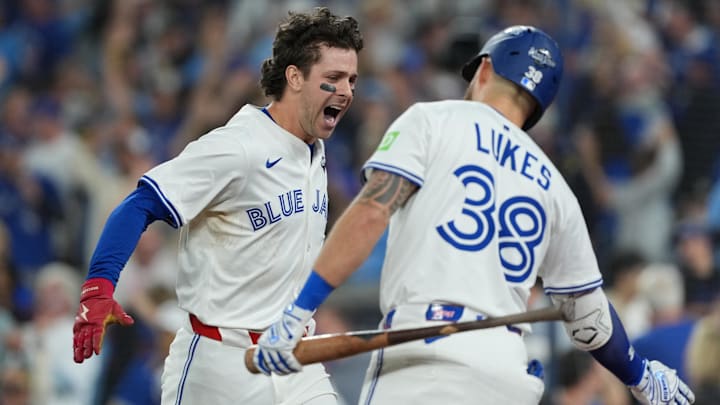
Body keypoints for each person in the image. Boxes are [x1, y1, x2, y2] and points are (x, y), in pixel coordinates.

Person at [253, 25, 695, 405]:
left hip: (424, 360)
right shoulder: (556, 187)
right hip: (507, 371)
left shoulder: (436, 119)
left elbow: (371, 212)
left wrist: (298, 311)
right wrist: (640, 375)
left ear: (484, 69)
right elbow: (590, 315)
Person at [72, 7, 363, 404]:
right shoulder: (237, 147)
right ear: (294, 77)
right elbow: (139, 204)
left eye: (351, 79)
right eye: (333, 79)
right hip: (220, 363)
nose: (346, 90)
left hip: (293, 357)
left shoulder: (315, 148)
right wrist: (99, 286)